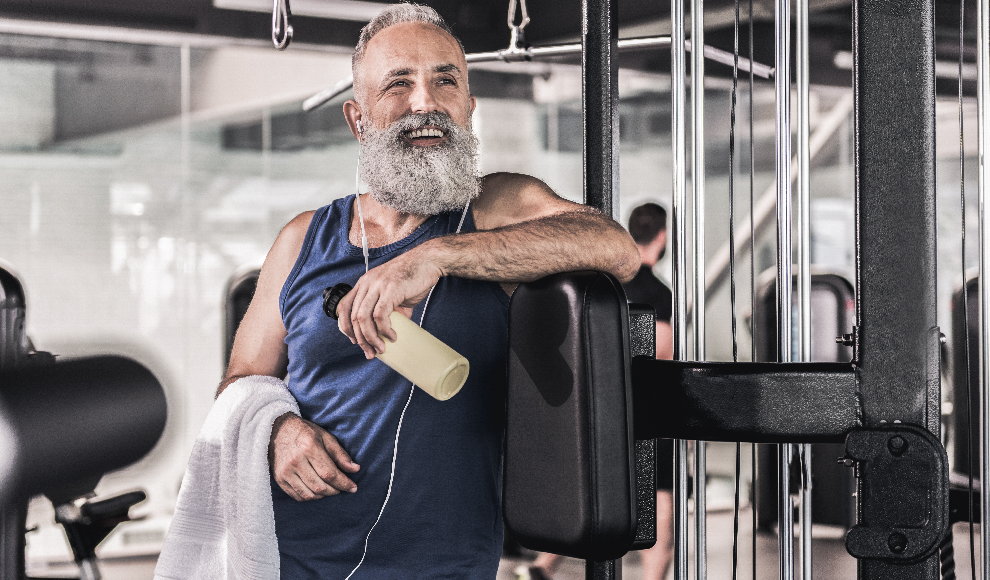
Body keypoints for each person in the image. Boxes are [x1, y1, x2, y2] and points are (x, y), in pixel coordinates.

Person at [218, 4, 640, 579]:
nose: (426, 102)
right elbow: (242, 379)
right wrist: (276, 433)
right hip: (287, 556)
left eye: (446, 80)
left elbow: (614, 247)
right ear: (357, 119)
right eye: (399, 83)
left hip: (441, 566)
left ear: (468, 107)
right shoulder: (302, 238)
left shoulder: (494, 209)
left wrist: (438, 256)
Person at [518, 202, 674, 580]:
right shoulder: (657, 291)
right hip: (642, 403)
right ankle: (653, 577)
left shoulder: (604, 283)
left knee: (586, 481)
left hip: (594, 400)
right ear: (663, 237)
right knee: (659, 492)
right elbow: (660, 351)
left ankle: (542, 565)